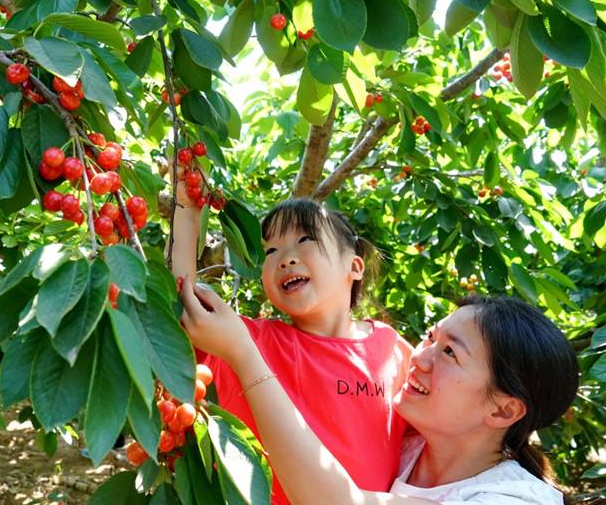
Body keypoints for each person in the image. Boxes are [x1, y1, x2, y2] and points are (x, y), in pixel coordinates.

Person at [180, 287, 580, 505]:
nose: (418, 357)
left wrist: (245, 354)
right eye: (430, 337)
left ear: (503, 409)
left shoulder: (508, 501)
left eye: (450, 353)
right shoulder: (402, 447)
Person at [170, 196, 413, 503]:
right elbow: (185, 301)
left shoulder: (393, 351)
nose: (285, 258)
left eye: (304, 239)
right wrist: (188, 204)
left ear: (354, 266)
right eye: (270, 250)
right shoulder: (249, 339)